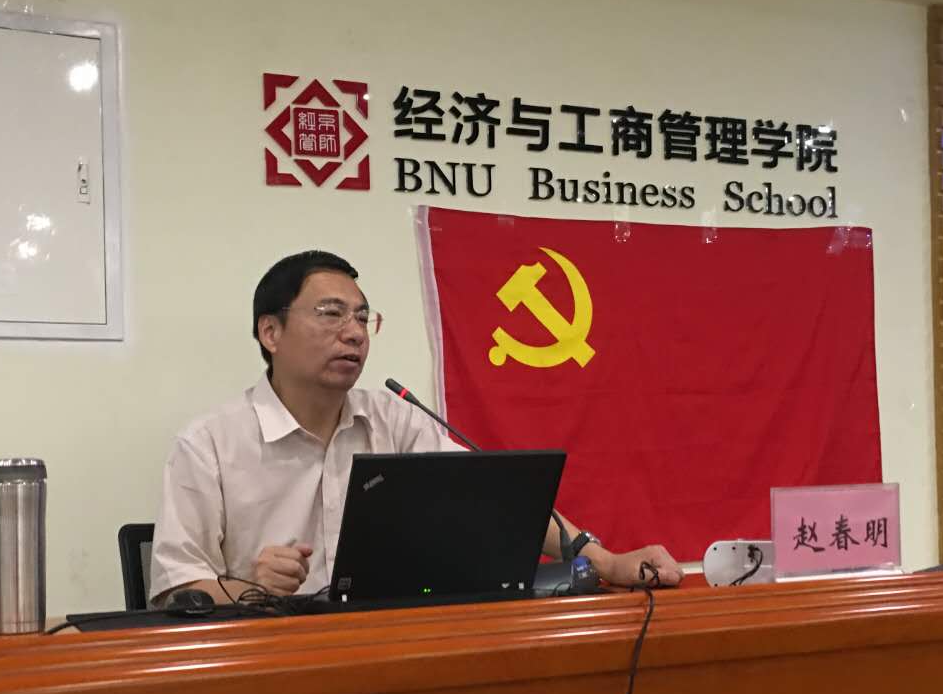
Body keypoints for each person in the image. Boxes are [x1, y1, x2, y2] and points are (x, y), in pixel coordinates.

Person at [149, 250, 682, 606]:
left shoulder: (393, 418)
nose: (354, 333)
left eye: (363, 318)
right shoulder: (210, 444)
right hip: (268, 664)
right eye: (332, 314)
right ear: (271, 331)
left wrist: (607, 563)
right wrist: (249, 589)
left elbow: (496, 499)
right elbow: (176, 591)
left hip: (392, 644)